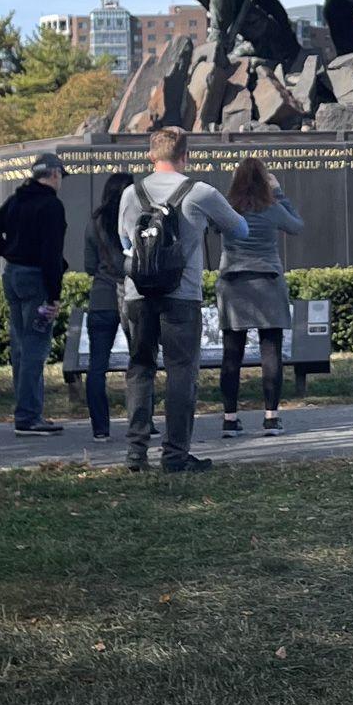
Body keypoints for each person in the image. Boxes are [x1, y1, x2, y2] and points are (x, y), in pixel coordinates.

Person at [118, 128, 247, 473]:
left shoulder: (131, 193)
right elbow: (241, 229)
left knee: (140, 369)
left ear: (150, 155)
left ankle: (135, 453)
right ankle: (175, 455)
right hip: (181, 295)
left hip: (138, 295)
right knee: (180, 373)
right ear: (185, 156)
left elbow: (124, 243)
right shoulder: (200, 192)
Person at [0, 151, 69, 437]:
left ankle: (26, 411)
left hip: (13, 275)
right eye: (61, 176)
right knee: (35, 347)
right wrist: (54, 296)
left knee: (20, 345)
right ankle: (29, 416)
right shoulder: (51, 206)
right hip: (36, 281)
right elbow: (52, 255)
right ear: (53, 174)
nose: (61, 181)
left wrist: (11, 252)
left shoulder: (17, 200)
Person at [216, 156, 304, 438]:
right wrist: (278, 192)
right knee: (271, 351)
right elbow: (296, 226)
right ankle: (271, 418)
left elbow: (213, 227)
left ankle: (230, 419)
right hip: (268, 281)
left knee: (232, 354)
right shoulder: (271, 206)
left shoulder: (228, 207)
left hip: (233, 284)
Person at [80, 172, 134, 442]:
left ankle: (100, 428)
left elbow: (90, 265)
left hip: (101, 298)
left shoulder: (94, 223)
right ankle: (141, 420)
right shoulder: (134, 220)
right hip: (133, 296)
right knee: (139, 363)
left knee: (97, 367)